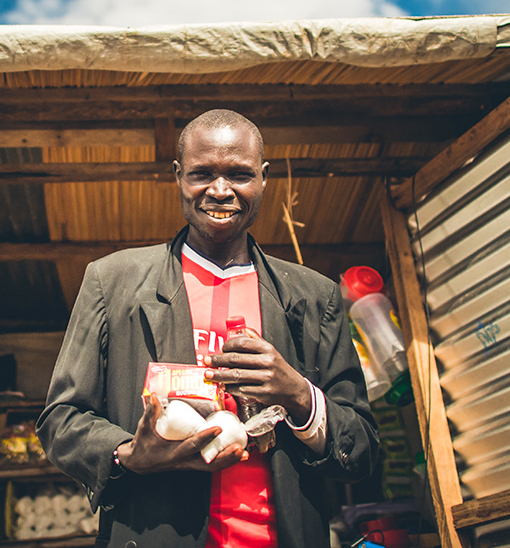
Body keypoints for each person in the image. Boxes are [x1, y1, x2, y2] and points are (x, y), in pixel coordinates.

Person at [37, 109, 378, 548]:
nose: (220, 190)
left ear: (263, 178)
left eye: (239, 174)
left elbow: (363, 449)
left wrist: (298, 395)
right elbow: (61, 420)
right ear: (178, 176)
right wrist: (127, 455)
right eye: (202, 174)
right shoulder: (113, 281)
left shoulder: (314, 297)